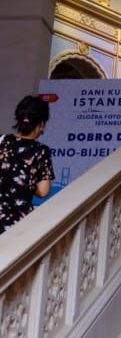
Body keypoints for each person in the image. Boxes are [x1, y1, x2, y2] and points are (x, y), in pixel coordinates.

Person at [0, 95, 55, 234]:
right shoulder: (41, 151)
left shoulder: (1, 141)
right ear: (41, 124)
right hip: (18, 223)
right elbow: (43, 191)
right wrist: (26, 180)